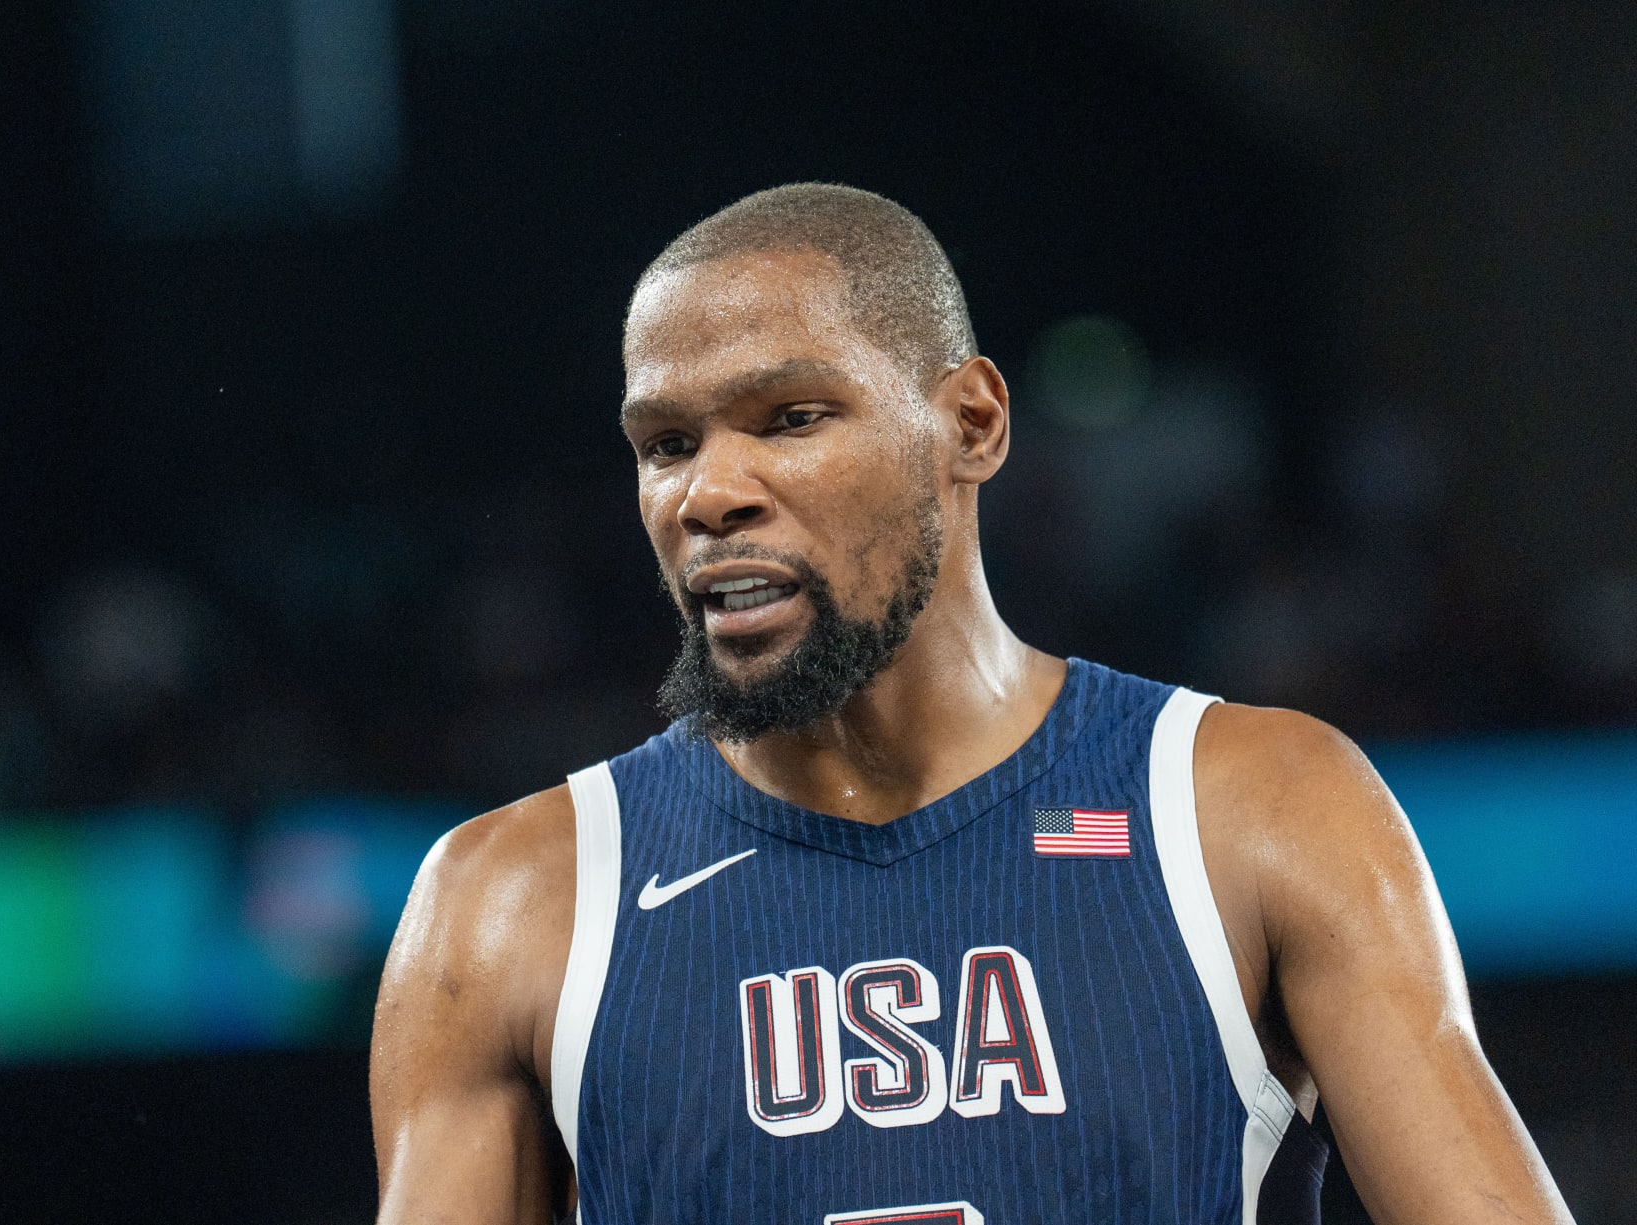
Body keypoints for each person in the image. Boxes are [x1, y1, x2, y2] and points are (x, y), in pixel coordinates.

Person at [370, 184, 1573, 1225]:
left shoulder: (1252, 808)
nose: (710, 493)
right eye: (667, 441)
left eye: (790, 418)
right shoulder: (507, 903)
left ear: (974, 424)